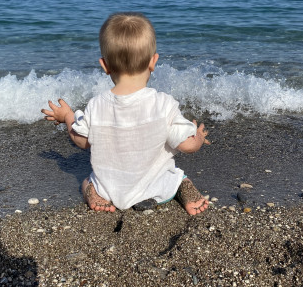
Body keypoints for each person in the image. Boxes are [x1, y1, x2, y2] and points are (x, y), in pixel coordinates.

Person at [41, 12, 210, 215]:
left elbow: (82, 141)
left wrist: (68, 116)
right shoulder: (163, 104)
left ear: (105, 66)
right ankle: (183, 186)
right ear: (153, 62)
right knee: (175, 176)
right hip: (157, 186)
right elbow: (187, 145)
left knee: (88, 180)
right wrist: (198, 137)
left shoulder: (96, 105)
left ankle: (93, 192)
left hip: (111, 190)